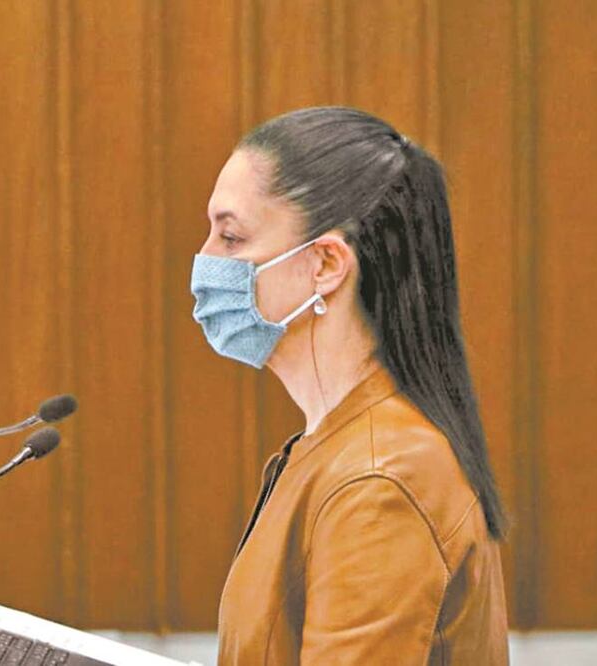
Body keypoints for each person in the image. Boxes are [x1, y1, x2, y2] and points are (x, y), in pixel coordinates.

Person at [191, 107, 508, 663]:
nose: (205, 259)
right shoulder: (336, 447)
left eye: (232, 236)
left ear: (326, 264)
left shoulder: (380, 483)